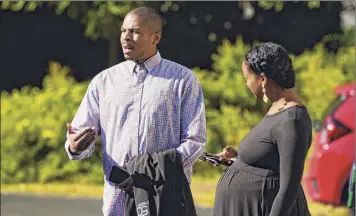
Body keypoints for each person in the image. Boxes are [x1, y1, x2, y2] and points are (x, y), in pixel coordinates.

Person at [64, 6, 206, 216]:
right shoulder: (104, 82)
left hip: (165, 199)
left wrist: (157, 173)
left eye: (135, 32)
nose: (126, 38)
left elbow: (195, 141)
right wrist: (75, 147)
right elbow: (80, 136)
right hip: (118, 198)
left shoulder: (182, 80)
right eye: (123, 31)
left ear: (155, 38)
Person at [213, 42, 312, 216]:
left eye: (247, 78)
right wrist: (239, 159)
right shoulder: (278, 108)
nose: (247, 84)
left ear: (263, 79)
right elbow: (270, 161)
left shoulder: (292, 120)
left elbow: (288, 190)